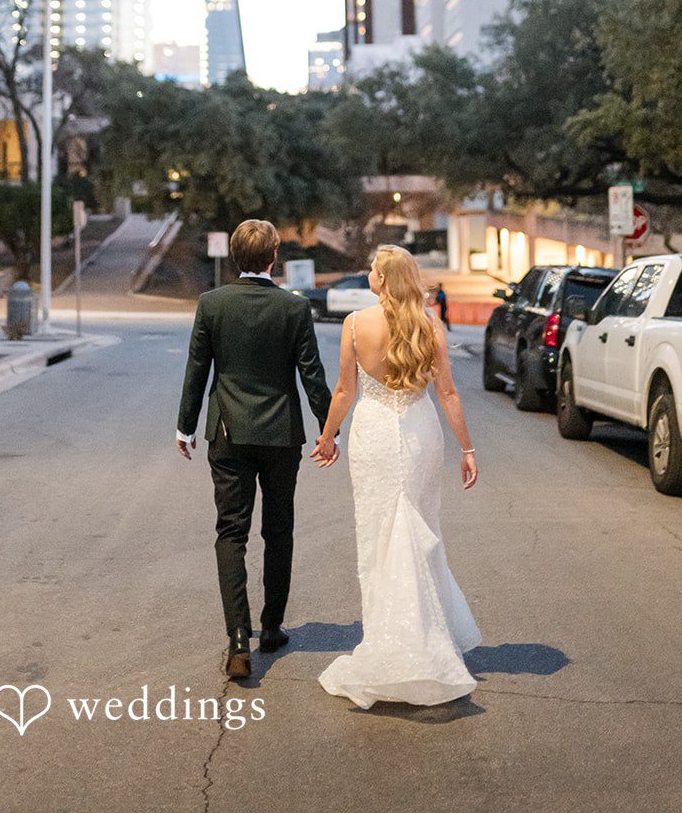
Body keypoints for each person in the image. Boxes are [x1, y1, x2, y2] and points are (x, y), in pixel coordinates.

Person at [314, 244, 480, 708]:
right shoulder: (430, 325)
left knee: (378, 537)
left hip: (372, 437)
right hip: (421, 434)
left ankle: (392, 638)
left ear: (383, 281)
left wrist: (328, 437)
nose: (368, 274)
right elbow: (447, 393)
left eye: (372, 270)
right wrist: (467, 449)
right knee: (423, 529)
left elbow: (345, 390)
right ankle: (427, 637)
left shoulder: (355, 325)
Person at [176, 218, 335, 678]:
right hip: (281, 435)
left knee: (231, 533)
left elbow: (197, 371)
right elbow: (312, 375)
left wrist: (185, 427)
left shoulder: (212, 304)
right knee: (278, 531)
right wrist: (330, 430)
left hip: (227, 434)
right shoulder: (293, 308)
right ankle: (271, 626)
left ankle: (237, 641)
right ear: (273, 258)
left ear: (235, 256)